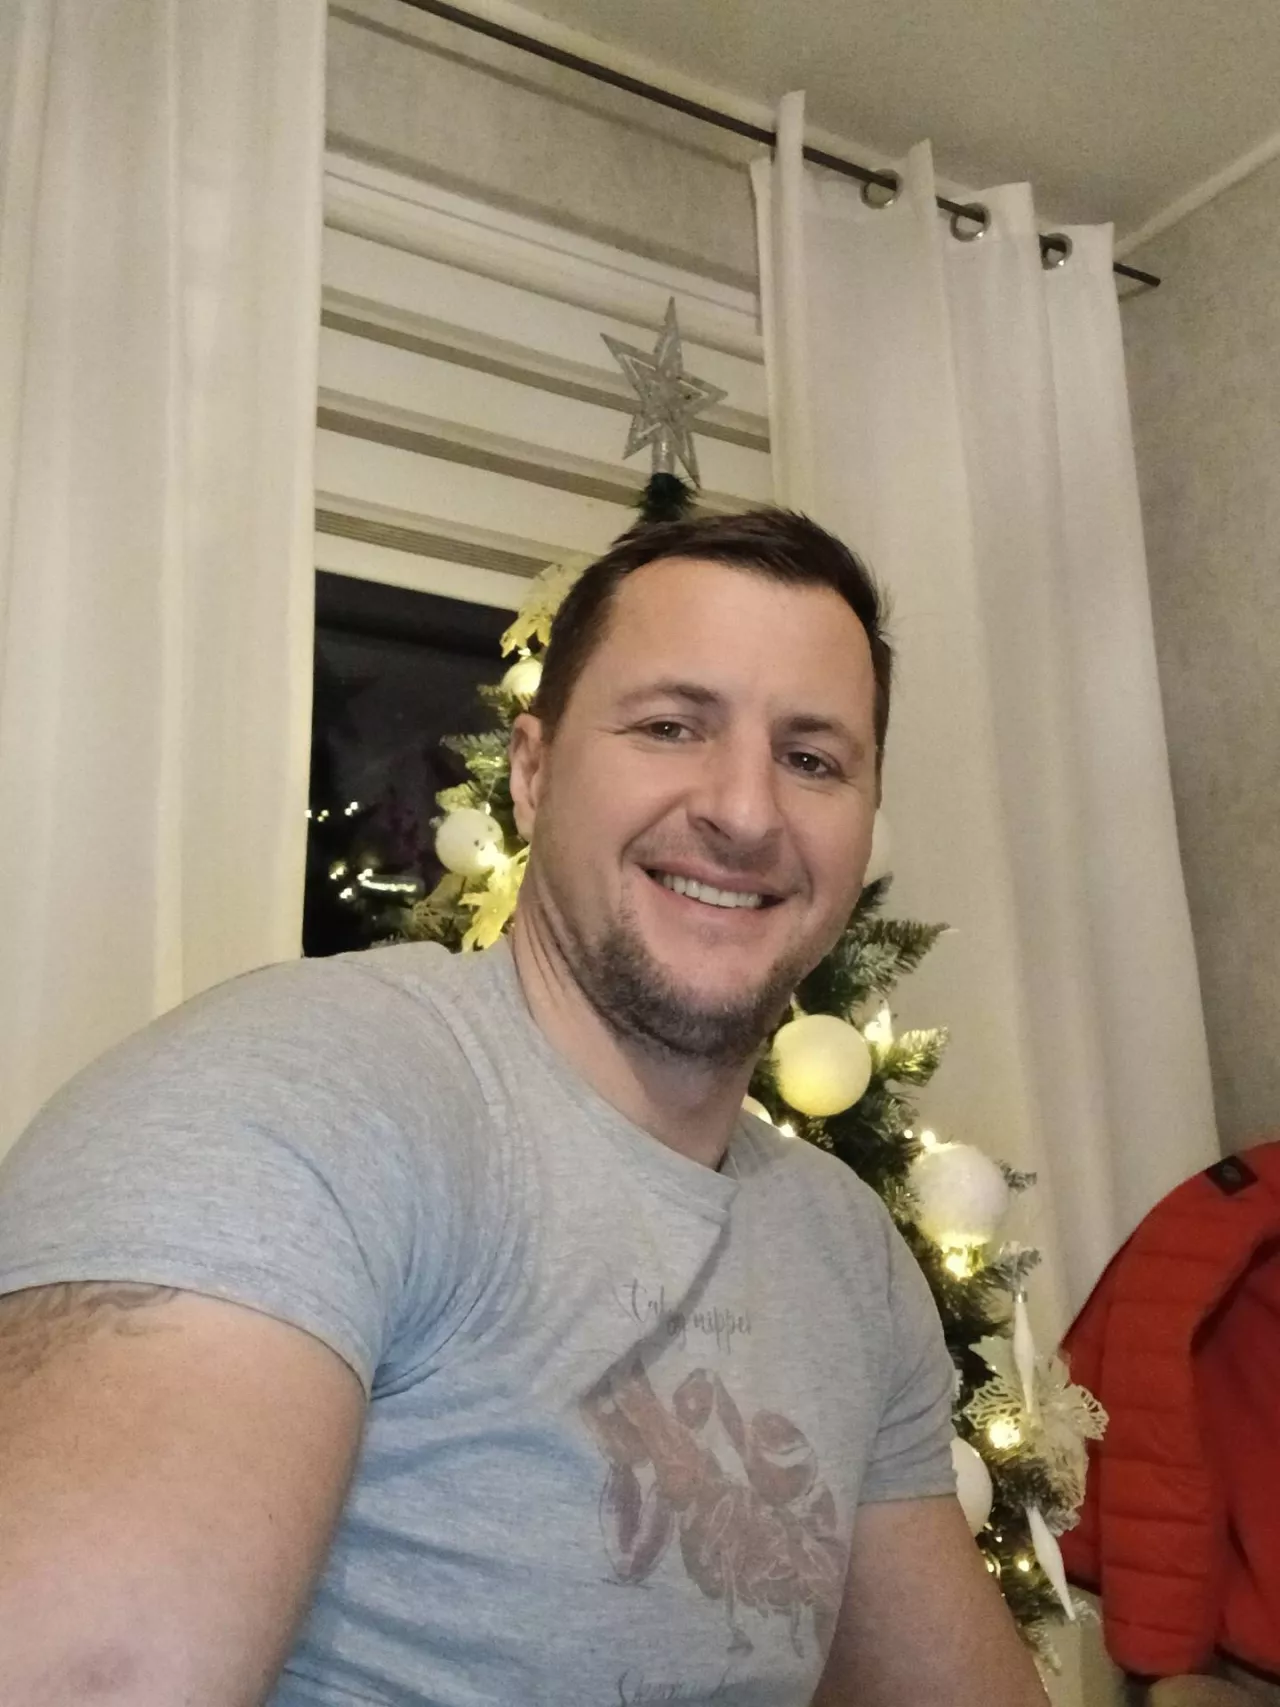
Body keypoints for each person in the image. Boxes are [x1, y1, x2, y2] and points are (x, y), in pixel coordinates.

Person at [0, 509, 1048, 1707]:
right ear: (535, 773)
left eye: (811, 759)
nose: (746, 811)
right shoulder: (298, 1097)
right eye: (670, 726)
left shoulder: (845, 1249)